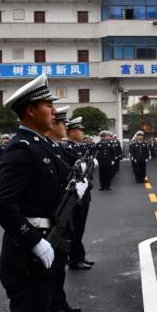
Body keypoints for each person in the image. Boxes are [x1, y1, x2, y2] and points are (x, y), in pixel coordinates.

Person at [0, 74, 87, 312]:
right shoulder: (21, 148)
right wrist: (33, 240)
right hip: (27, 254)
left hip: (49, 241)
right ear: (31, 110)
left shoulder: (41, 145)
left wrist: (75, 189)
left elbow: (53, 187)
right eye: (48, 105)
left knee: (45, 305)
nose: (54, 112)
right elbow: (0, 203)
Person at [45, 106, 85, 312]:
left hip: (62, 214)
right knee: (52, 270)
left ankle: (60, 303)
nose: (65, 127)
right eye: (62, 123)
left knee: (59, 268)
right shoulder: (42, 148)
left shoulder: (58, 147)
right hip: (49, 220)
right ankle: (54, 307)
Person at [64, 117, 95, 273]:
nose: (82, 132)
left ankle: (79, 256)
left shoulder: (79, 147)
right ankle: (75, 259)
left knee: (79, 227)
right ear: (71, 132)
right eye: (79, 130)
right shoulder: (68, 148)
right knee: (75, 227)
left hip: (84, 191)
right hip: (76, 193)